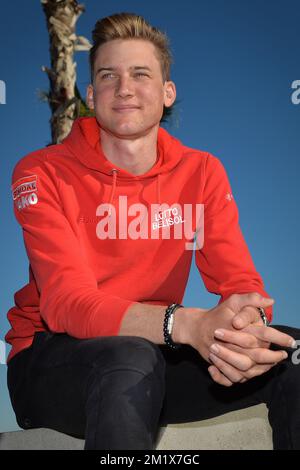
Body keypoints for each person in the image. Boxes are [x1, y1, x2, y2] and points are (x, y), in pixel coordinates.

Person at [5, 12, 300, 450]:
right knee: (130, 355)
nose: (124, 88)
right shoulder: (42, 171)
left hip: (157, 353)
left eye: (140, 74)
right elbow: (67, 302)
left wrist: (246, 327)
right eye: (108, 76)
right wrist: (182, 324)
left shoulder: (201, 171)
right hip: (53, 359)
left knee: (290, 353)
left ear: (167, 92)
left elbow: (238, 281)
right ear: (91, 93)